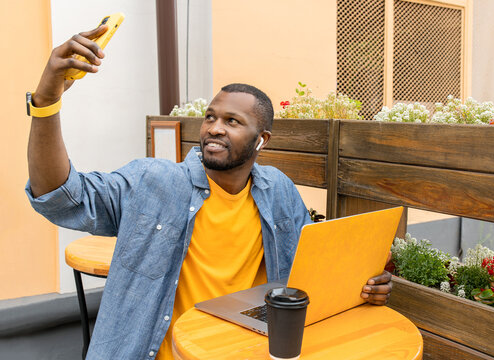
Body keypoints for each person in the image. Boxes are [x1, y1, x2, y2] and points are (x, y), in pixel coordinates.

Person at [26, 25, 393, 359]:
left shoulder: (278, 190)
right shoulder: (154, 181)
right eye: (211, 117)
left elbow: (308, 274)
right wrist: (46, 100)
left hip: (243, 350)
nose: (214, 128)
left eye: (232, 121)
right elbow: (60, 196)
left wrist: (363, 286)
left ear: (261, 140)